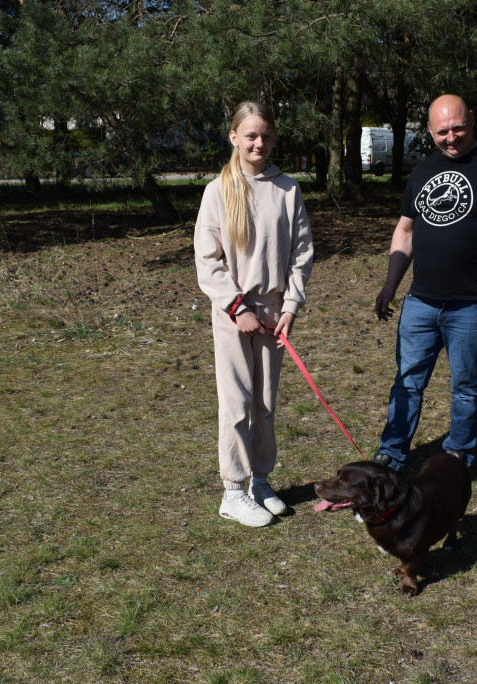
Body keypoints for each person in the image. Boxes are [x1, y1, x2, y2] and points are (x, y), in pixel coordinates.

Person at [373, 94, 477, 472]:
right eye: (442, 131)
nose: (451, 137)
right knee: (407, 382)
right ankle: (392, 452)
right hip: (421, 302)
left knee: (465, 387)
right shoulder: (423, 171)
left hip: (472, 305)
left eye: (458, 128)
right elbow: (406, 229)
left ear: (473, 120)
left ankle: (457, 454)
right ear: (430, 130)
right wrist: (390, 285)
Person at [194, 101, 314, 526]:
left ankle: (261, 480)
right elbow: (207, 261)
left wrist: (291, 306)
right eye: (250, 135)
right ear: (234, 138)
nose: (258, 142)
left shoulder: (287, 189)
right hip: (233, 313)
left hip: (274, 312)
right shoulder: (218, 191)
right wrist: (236, 307)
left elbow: (301, 253)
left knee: (265, 402)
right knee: (237, 401)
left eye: (265, 135)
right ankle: (233, 490)